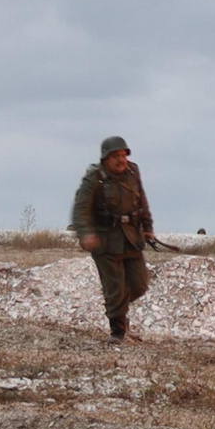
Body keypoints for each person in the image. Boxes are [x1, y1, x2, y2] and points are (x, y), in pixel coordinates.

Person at [70, 136, 155, 341]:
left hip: (131, 239)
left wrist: (147, 227)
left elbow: (142, 200)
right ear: (105, 158)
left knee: (139, 285)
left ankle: (117, 310)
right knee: (115, 288)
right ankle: (117, 332)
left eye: (123, 154)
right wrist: (86, 234)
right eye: (116, 156)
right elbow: (81, 209)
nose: (121, 160)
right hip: (105, 242)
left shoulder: (133, 172)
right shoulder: (94, 179)